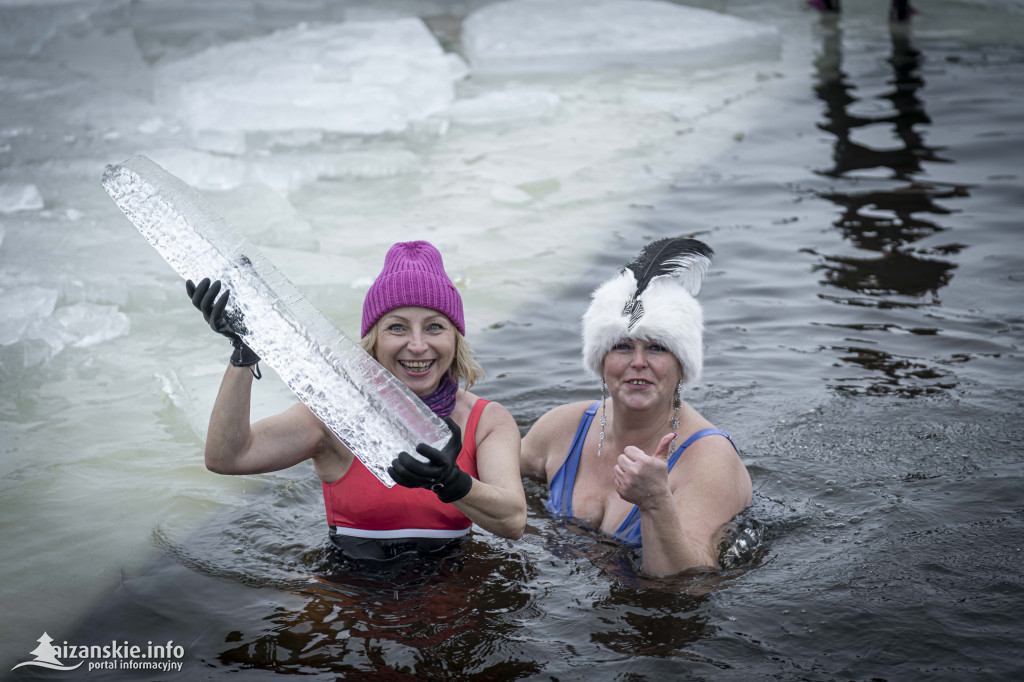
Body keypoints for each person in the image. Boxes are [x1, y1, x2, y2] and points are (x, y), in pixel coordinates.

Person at [186, 240, 526, 562]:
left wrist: (449, 481)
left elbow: (513, 521)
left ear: (456, 338)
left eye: (435, 327)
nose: (418, 345)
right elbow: (227, 457)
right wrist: (244, 353)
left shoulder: (487, 421)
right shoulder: (335, 415)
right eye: (397, 328)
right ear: (374, 341)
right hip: (352, 595)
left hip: (455, 588)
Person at [521, 238, 752, 577]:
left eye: (657, 347)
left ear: (682, 366)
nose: (639, 362)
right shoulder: (563, 426)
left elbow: (691, 583)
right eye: (623, 346)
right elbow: (488, 474)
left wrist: (656, 502)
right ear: (601, 361)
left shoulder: (709, 459)